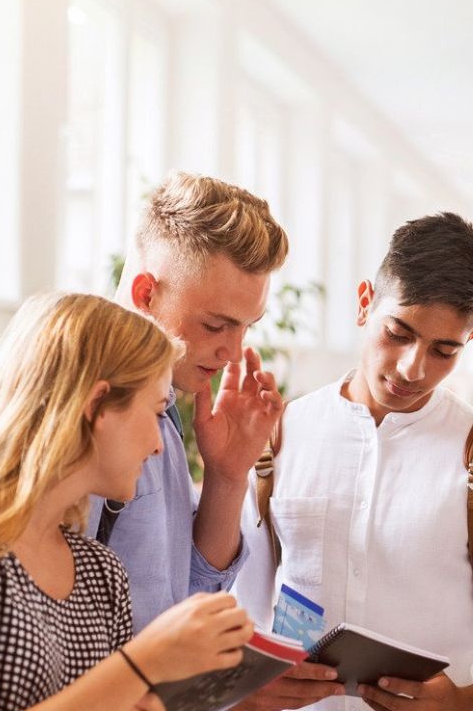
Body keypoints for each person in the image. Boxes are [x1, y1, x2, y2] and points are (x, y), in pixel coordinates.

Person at [0, 292, 254, 711]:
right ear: (96, 406)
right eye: (155, 411)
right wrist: (141, 665)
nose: (158, 445)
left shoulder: (101, 573)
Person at [230, 212, 473, 711]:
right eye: (399, 333)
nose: (412, 368)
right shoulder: (279, 433)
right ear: (365, 303)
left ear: (471, 339)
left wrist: (464, 706)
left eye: (444, 350)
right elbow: (241, 616)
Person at [100, 172, 290, 632]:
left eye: (247, 326)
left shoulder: (163, 410)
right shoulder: (77, 411)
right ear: (146, 294)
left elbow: (188, 600)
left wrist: (227, 476)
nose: (234, 353)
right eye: (215, 325)